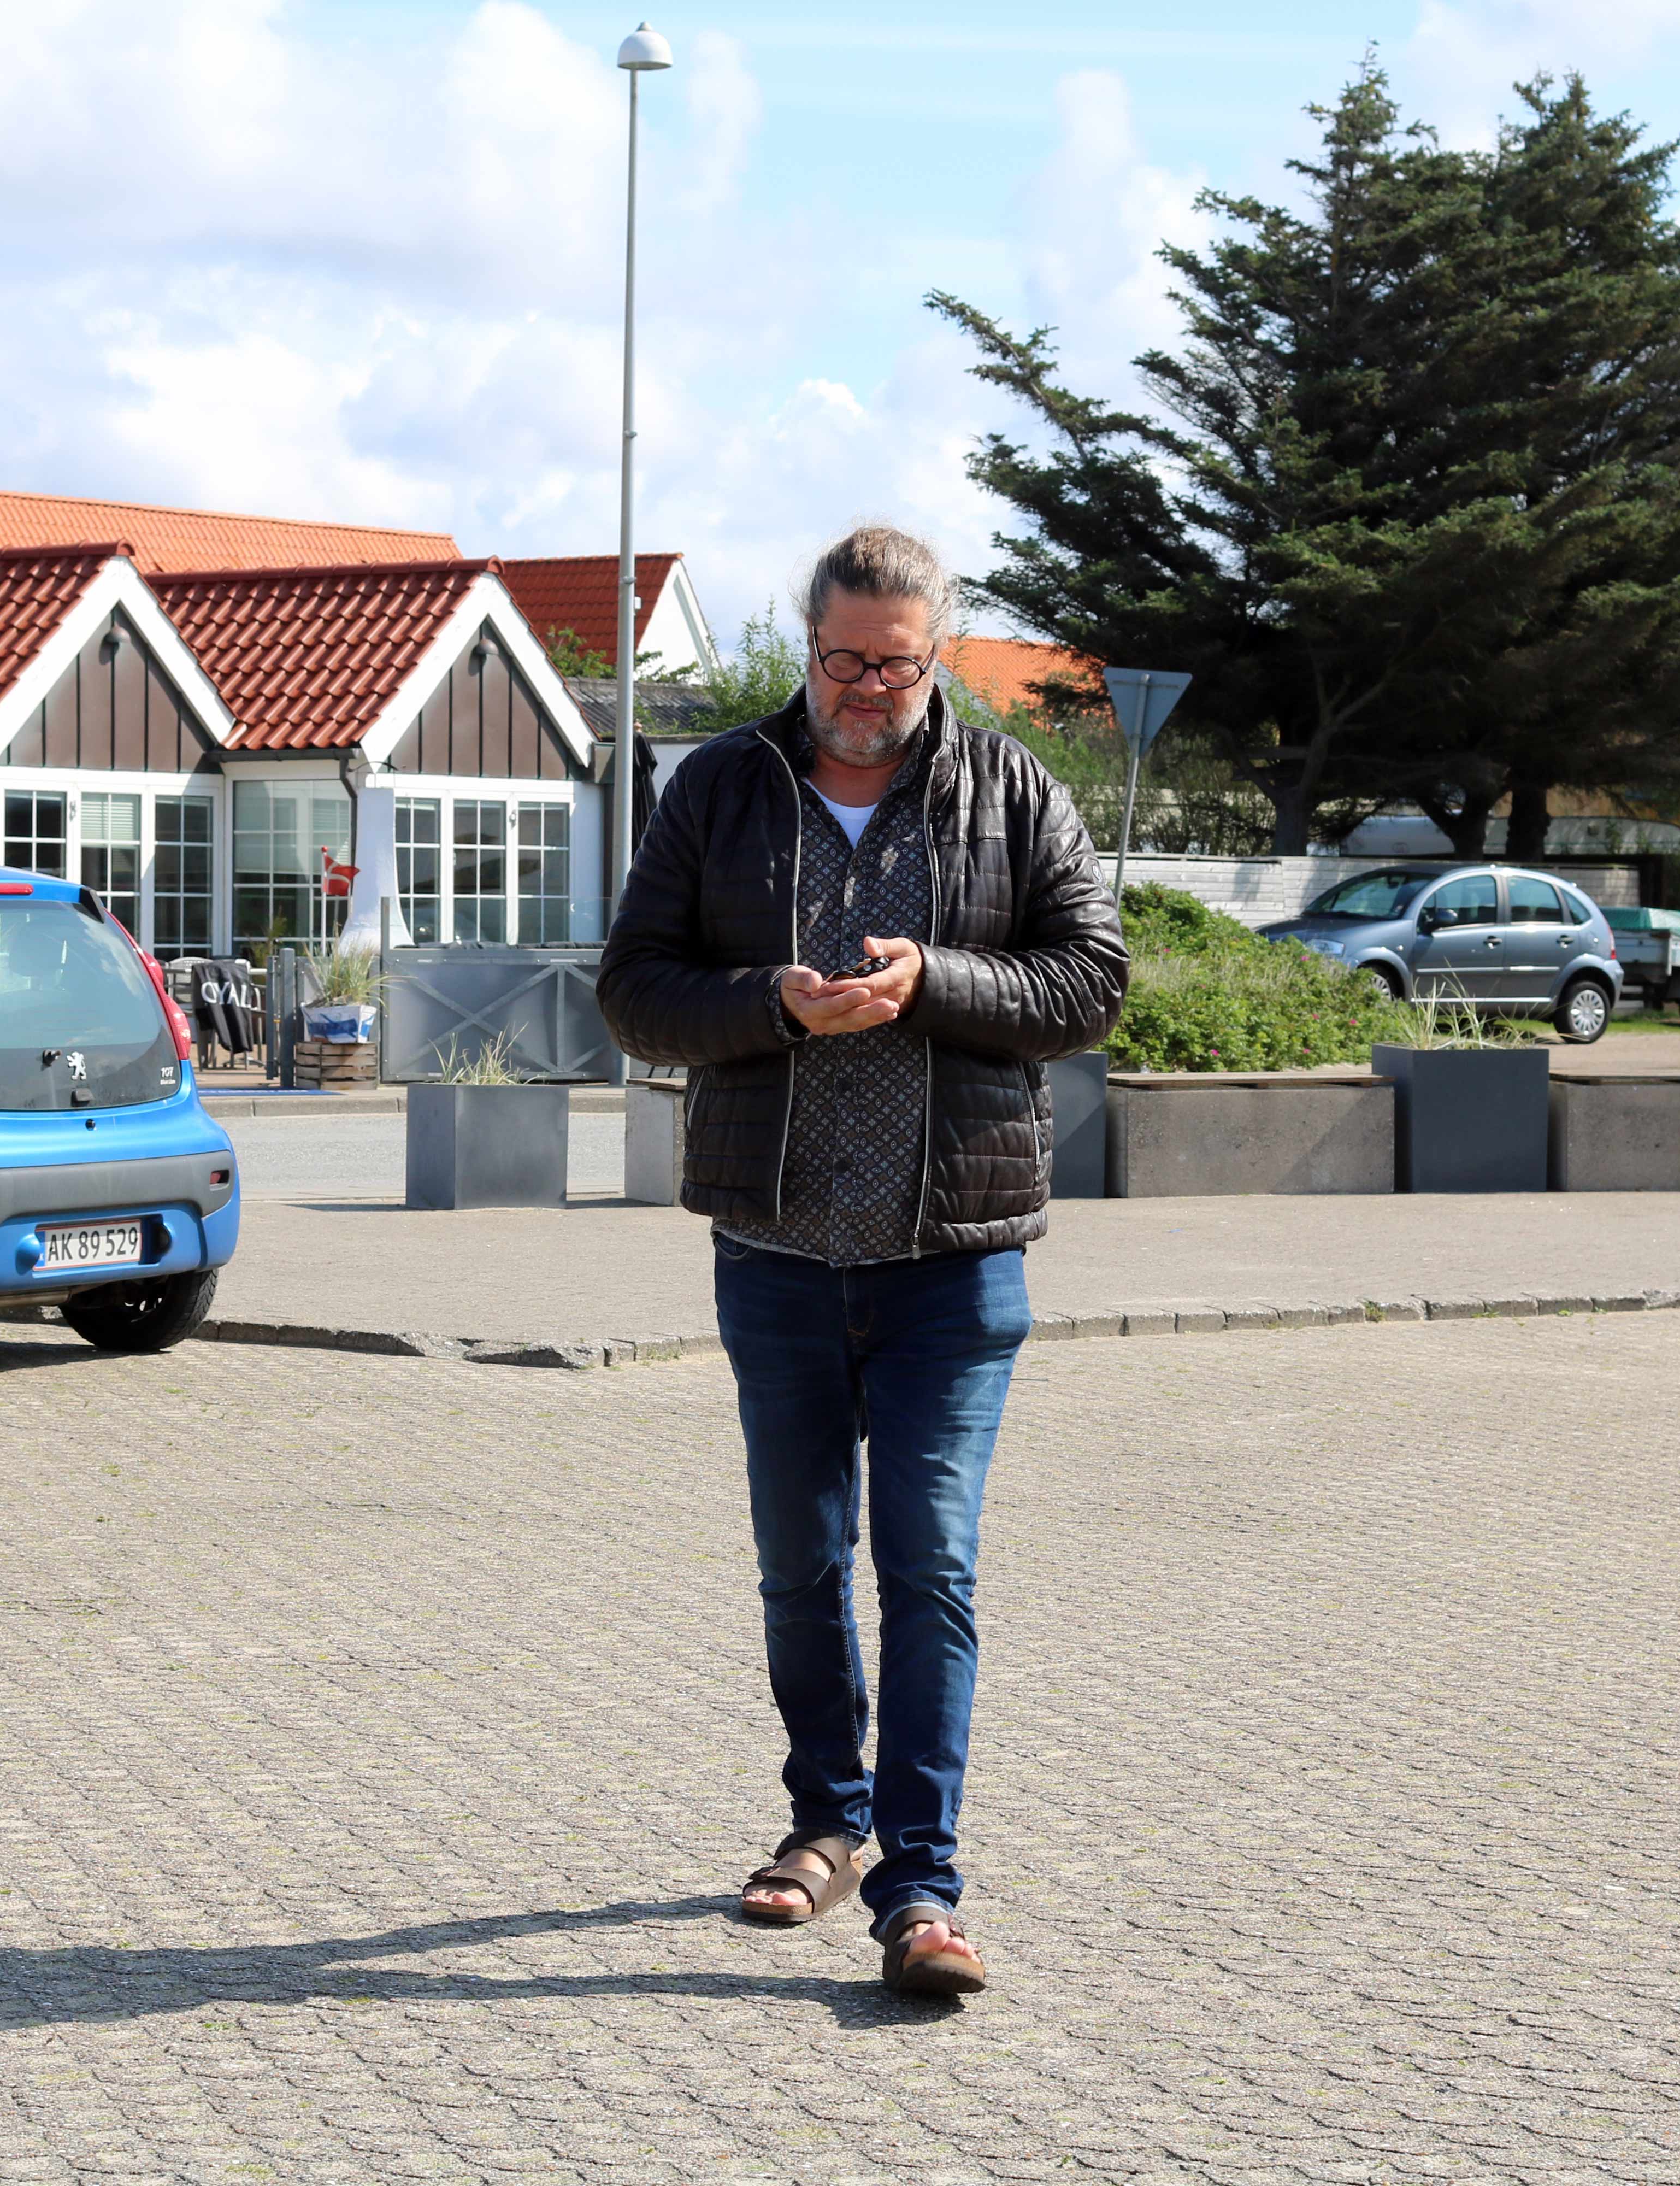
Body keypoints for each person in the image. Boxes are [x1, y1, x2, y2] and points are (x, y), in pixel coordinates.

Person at [597, 524, 1127, 1996]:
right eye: (840, 658)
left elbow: (1092, 980)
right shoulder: (719, 788)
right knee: (798, 1561)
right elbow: (635, 992)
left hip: (953, 1261)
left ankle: (925, 1885)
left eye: (892, 663)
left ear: (936, 653)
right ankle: (822, 1827)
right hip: (773, 1251)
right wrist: (770, 1001)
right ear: (809, 640)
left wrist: (931, 985)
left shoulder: (1012, 786)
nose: (863, 688)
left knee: (930, 1565)